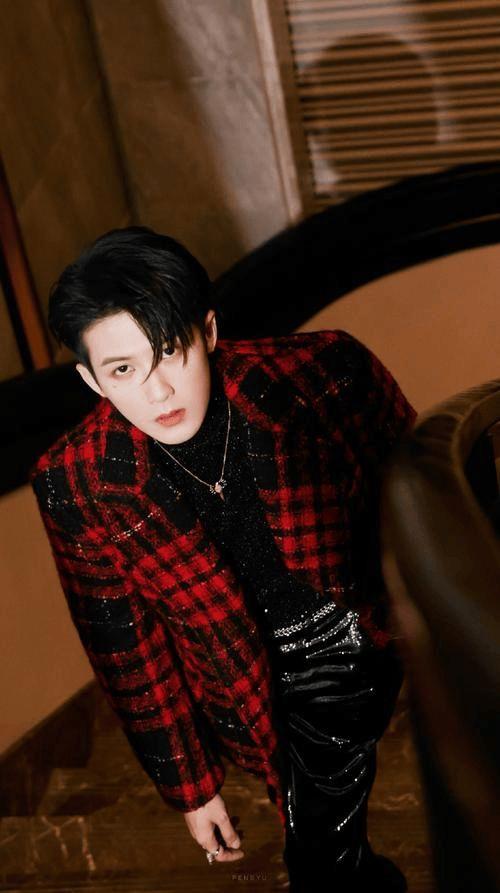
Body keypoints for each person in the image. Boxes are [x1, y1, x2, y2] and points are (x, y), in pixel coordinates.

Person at [31, 225, 417, 891]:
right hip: (241, 687)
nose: (158, 392)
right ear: (92, 379)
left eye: (170, 351)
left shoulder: (322, 372)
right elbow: (125, 647)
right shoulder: (76, 481)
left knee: (319, 857)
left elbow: (416, 482)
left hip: (345, 641)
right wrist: (192, 788)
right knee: (321, 831)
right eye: (123, 370)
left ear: (207, 331)